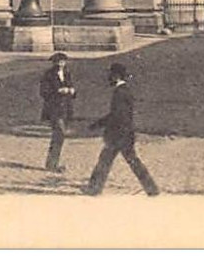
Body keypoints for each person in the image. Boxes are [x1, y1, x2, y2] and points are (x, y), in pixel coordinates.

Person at [85, 62, 160, 196]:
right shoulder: (125, 90)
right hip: (126, 133)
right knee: (132, 161)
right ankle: (151, 188)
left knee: (105, 161)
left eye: (111, 75)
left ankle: (93, 189)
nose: (109, 77)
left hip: (117, 135)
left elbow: (116, 115)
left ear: (116, 76)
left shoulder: (119, 93)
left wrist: (97, 124)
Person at [38, 52, 77, 173]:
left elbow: (72, 89)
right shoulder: (48, 75)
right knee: (59, 133)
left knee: (59, 136)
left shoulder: (67, 73)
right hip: (53, 109)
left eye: (63, 62)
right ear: (54, 63)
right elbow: (44, 92)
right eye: (59, 62)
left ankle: (52, 163)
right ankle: (52, 164)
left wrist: (72, 91)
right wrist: (59, 90)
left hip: (65, 109)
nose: (61, 64)